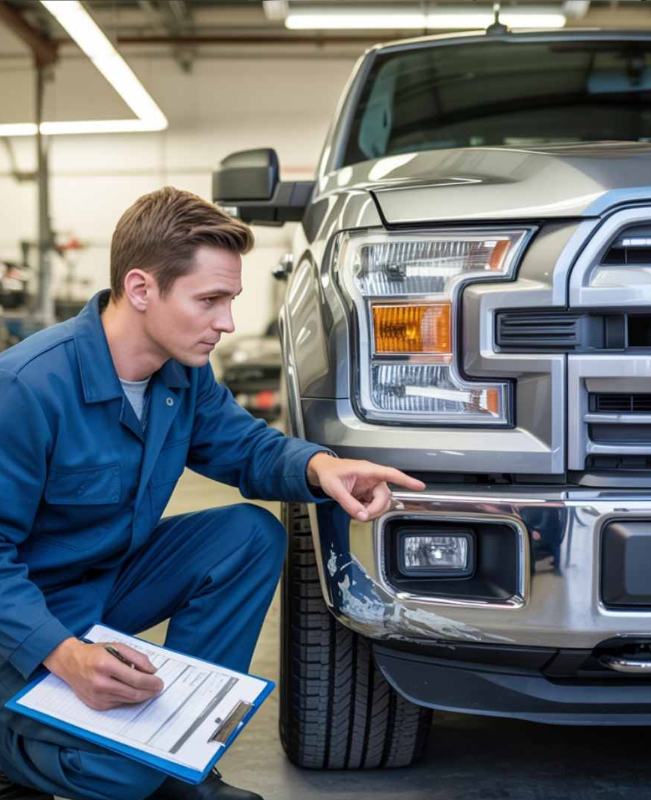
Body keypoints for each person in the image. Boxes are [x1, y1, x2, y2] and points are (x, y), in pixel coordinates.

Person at [0, 187, 424, 800]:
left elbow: (244, 445)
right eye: (210, 300)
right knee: (117, 774)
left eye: (230, 300)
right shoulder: (26, 388)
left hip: (98, 590)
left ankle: (182, 744)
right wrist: (63, 657)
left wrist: (322, 468)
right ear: (142, 289)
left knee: (248, 536)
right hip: (19, 625)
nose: (226, 322)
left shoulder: (183, 376)